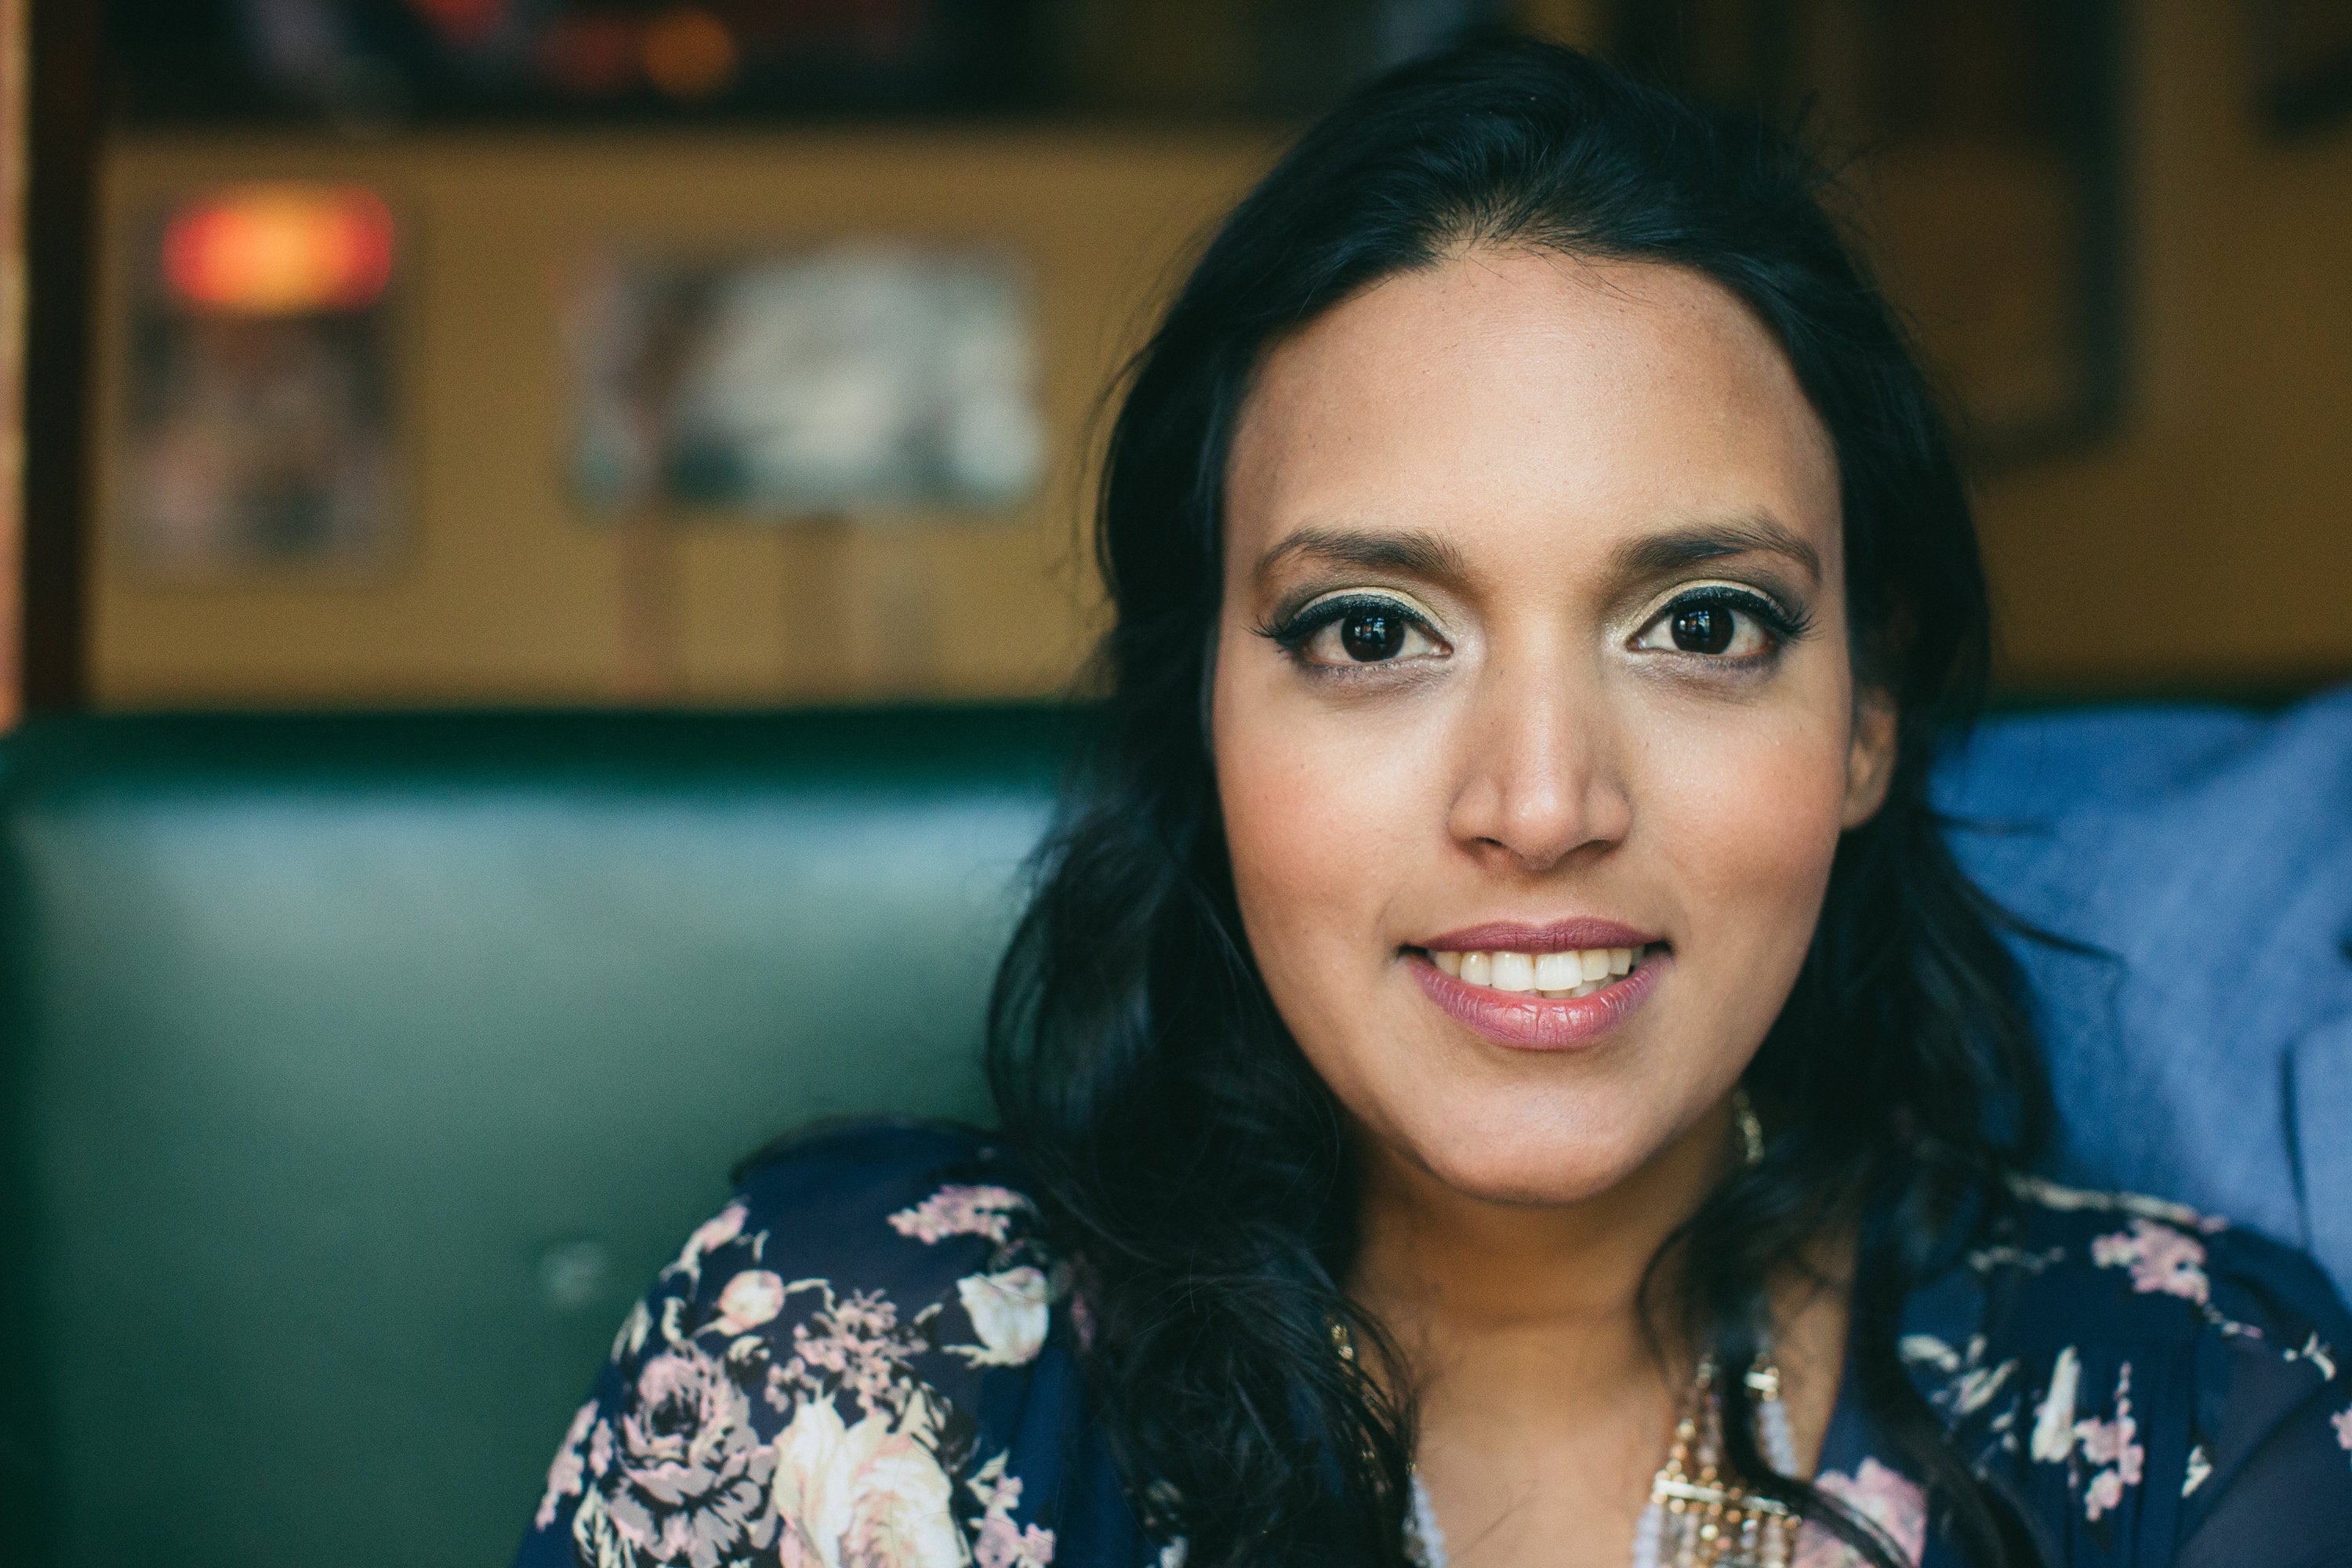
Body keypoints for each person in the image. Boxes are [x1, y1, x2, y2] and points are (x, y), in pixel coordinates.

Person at [515, 38, 2352, 1568]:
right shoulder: (858, 1378)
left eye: (1702, 624)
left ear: (1870, 718)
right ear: (1207, 723)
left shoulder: (2188, 1419)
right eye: (1373, 629)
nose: (1540, 801)